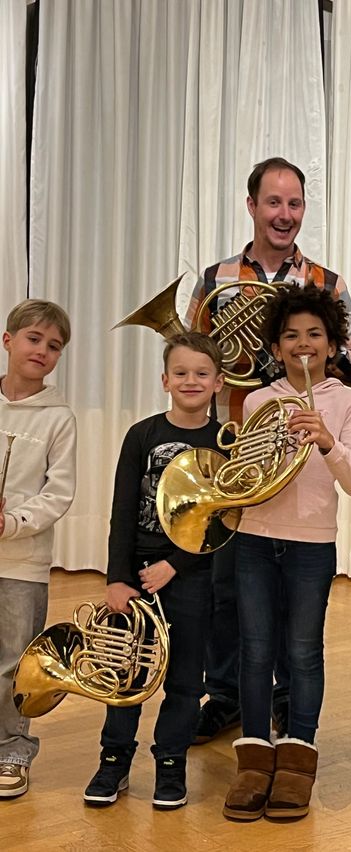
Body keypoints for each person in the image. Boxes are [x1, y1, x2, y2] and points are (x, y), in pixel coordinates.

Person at [188, 156, 351, 745]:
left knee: (293, 612)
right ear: (252, 206)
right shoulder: (216, 280)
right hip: (234, 450)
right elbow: (191, 354)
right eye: (273, 203)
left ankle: (290, 710)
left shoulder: (326, 283)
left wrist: (287, 360)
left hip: (299, 458)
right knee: (227, 587)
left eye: (294, 204)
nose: (284, 215)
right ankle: (230, 697)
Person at [223, 284, 351, 821]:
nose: (302, 344)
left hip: (312, 543)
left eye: (314, 335)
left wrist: (327, 442)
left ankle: (298, 760)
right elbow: (245, 478)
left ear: (332, 345)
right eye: (291, 336)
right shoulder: (260, 401)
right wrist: (271, 452)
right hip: (256, 538)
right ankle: (255, 760)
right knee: (256, 650)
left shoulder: (349, 403)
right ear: (276, 346)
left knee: (304, 652)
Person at [81, 332, 225, 809]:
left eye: (202, 373)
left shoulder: (225, 443)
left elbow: (223, 521)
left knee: (186, 677)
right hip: (136, 571)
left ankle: (171, 762)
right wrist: (116, 578)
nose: (191, 381)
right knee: (126, 673)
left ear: (219, 382)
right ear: (165, 379)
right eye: (181, 373)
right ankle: (114, 761)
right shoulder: (142, 434)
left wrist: (175, 564)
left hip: (191, 574)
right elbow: (122, 510)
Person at [0, 300, 76, 800]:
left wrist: (10, 523)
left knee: (14, 661)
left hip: (21, 561)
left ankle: (12, 748)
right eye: (33, 339)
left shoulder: (59, 417)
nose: (42, 351)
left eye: (54, 346)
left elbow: (59, 493)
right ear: (8, 341)